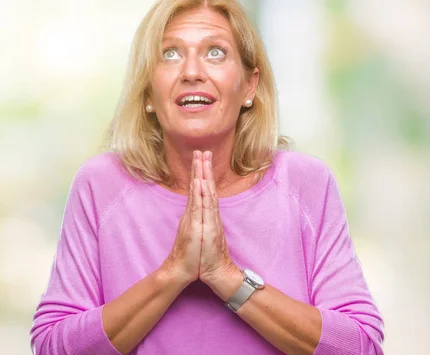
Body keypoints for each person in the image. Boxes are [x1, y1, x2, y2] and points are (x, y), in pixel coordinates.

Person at [30, 0, 384, 354]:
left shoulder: (306, 184)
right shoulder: (101, 185)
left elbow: (361, 346)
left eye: (215, 52)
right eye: (170, 54)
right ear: (148, 90)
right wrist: (172, 273)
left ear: (249, 86)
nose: (192, 71)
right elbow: (51, 347)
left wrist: (227, 277)